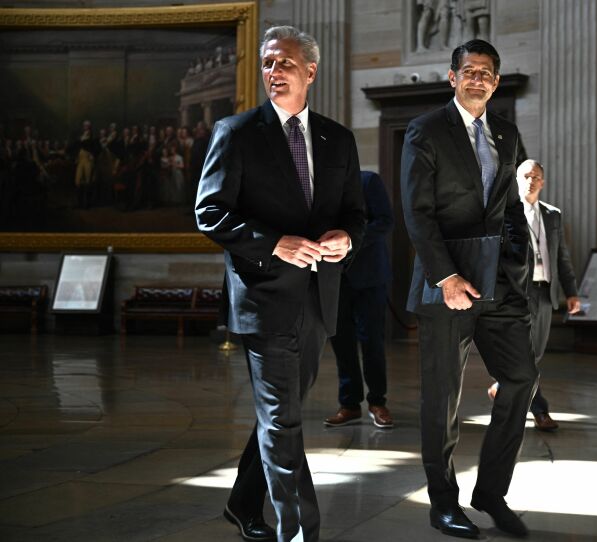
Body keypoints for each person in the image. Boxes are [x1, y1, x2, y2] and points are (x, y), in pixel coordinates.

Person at [194, 25, 365, 542]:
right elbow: (209, 212)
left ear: (310, 71)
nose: (273, 72)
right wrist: (274, 243)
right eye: (267, 63)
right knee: (284, 423)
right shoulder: (236, 132)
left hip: (318, 301)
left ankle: (244, 501)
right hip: (263, 300)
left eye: (284, 63)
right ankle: (300, 535)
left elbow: (358, 214)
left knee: (280, 417)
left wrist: (345, 239)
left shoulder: (340, 138)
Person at [400, 39, 534, 539]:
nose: (478, 78)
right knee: (442, 400)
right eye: (469, 71)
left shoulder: (507, 132)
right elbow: (417, 212)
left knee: (520, 378)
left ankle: (492, 493)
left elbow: (513, 208)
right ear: (452, 77)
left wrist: (517, 263)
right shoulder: (425, 131)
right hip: (446, 284)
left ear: (496, 83)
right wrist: (446, 275)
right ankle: (443, 502)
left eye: (487, 72)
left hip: (498, 283)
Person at [488, 159, 581, 432]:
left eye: (536, 176)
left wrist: (571, 292)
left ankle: (502, 386)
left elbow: (561, 256)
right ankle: (540, 411)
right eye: (526, 175)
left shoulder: (553, 215)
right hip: (518, 292)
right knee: (525, 354)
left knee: (536, 353)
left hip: (545, 292)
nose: (531, 180)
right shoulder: (506, 214)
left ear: (543, 181)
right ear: (517, 180)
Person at [325, 170, 395, 428]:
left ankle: (378, 401)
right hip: (333, 277)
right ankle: (349, 404)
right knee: (341, 342)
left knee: (372, 341)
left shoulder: (368, 180)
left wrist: (349, 241)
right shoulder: (319, 184)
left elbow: (385, 222)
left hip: (369, 277)